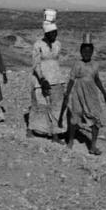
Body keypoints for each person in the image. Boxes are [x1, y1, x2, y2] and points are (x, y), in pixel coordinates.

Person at [58, 33, 106, 155]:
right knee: (74, 116)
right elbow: (71, 79)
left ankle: (92, 146)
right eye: (84, 51)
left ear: (92, 52)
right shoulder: (77, 64)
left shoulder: (95, 65)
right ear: (81, 52)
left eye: (89, 51)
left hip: (91, 93)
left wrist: (104, 93)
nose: (87, 53)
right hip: (78, 93)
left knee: (96, 118)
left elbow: (97, 79)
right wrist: (67, 93)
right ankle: (70, 141)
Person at [26, 9, 67, 144]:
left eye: (56, 33)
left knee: (56, 106)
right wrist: (42, 79)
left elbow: (56, 61)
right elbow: (36, 64)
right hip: (40, 79)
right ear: (46, 33)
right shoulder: (38, 45)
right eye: (52, 33)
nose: (54, 35)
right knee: (39, 104)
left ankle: (55, 133)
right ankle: (31, 128)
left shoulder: (58, 44)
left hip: (56, 78)